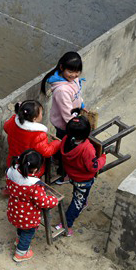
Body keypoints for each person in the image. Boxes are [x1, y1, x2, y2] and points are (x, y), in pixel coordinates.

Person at [57, 116, 106, 236]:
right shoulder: (87, 149)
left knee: (80, 193)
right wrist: (103, 158)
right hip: (83, 179)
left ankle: (83, 202)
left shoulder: (65, 139)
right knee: (77, 201)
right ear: (87, 133)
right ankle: (66, 224)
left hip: (72, 175)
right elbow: (93, 167)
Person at [6, 150, 59, 262]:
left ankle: (18, 240)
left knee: (20, 226)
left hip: (14, 209)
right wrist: (53, 200)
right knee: (28, 232)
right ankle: (20, 253)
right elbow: (42, 202)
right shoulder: (34, 185)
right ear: (35, 169)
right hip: (28, 216)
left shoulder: (11, 171)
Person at [40, 51, 85, 184]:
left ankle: (57, 158)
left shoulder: (72, 79)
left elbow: (77, 94)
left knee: (64, 145)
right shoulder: (61, 90)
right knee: (67, 149)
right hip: (65, 125)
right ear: (61, 68)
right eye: (71, 71)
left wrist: (81, 106)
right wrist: (76, 127)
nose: (74, 75)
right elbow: (67, 115)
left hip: (72, 120)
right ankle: (62, 172)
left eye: (77, 71)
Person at [3, 99, 61, 178]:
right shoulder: (38, 134)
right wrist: (57, 143)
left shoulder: (13, 121)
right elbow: (46, 151)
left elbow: (6, 128)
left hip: (13, 161)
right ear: (34, 118)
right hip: (30, 168)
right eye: (41, 113)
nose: (42, 115)